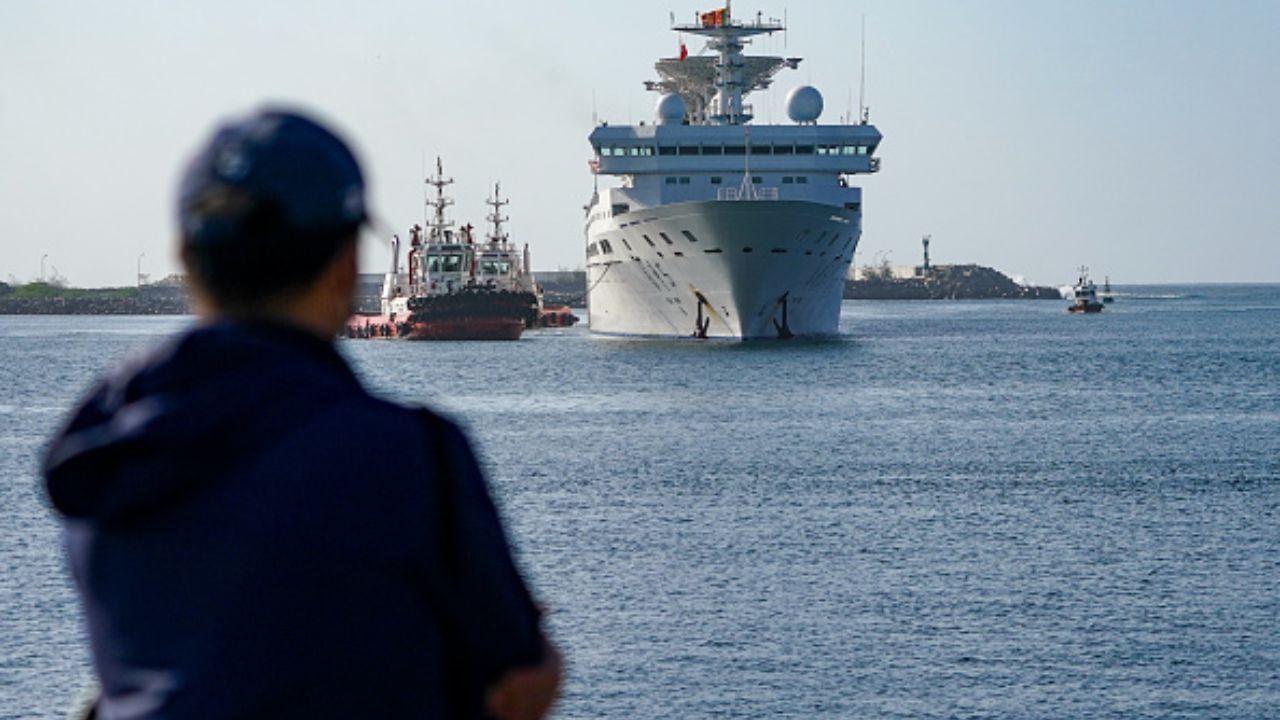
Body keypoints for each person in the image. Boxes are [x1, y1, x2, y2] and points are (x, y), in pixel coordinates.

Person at [42, 108, 561, 719]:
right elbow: (520, 681)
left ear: (186, 255)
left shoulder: (100, 454)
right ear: (345, 266)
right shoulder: (411, 459)